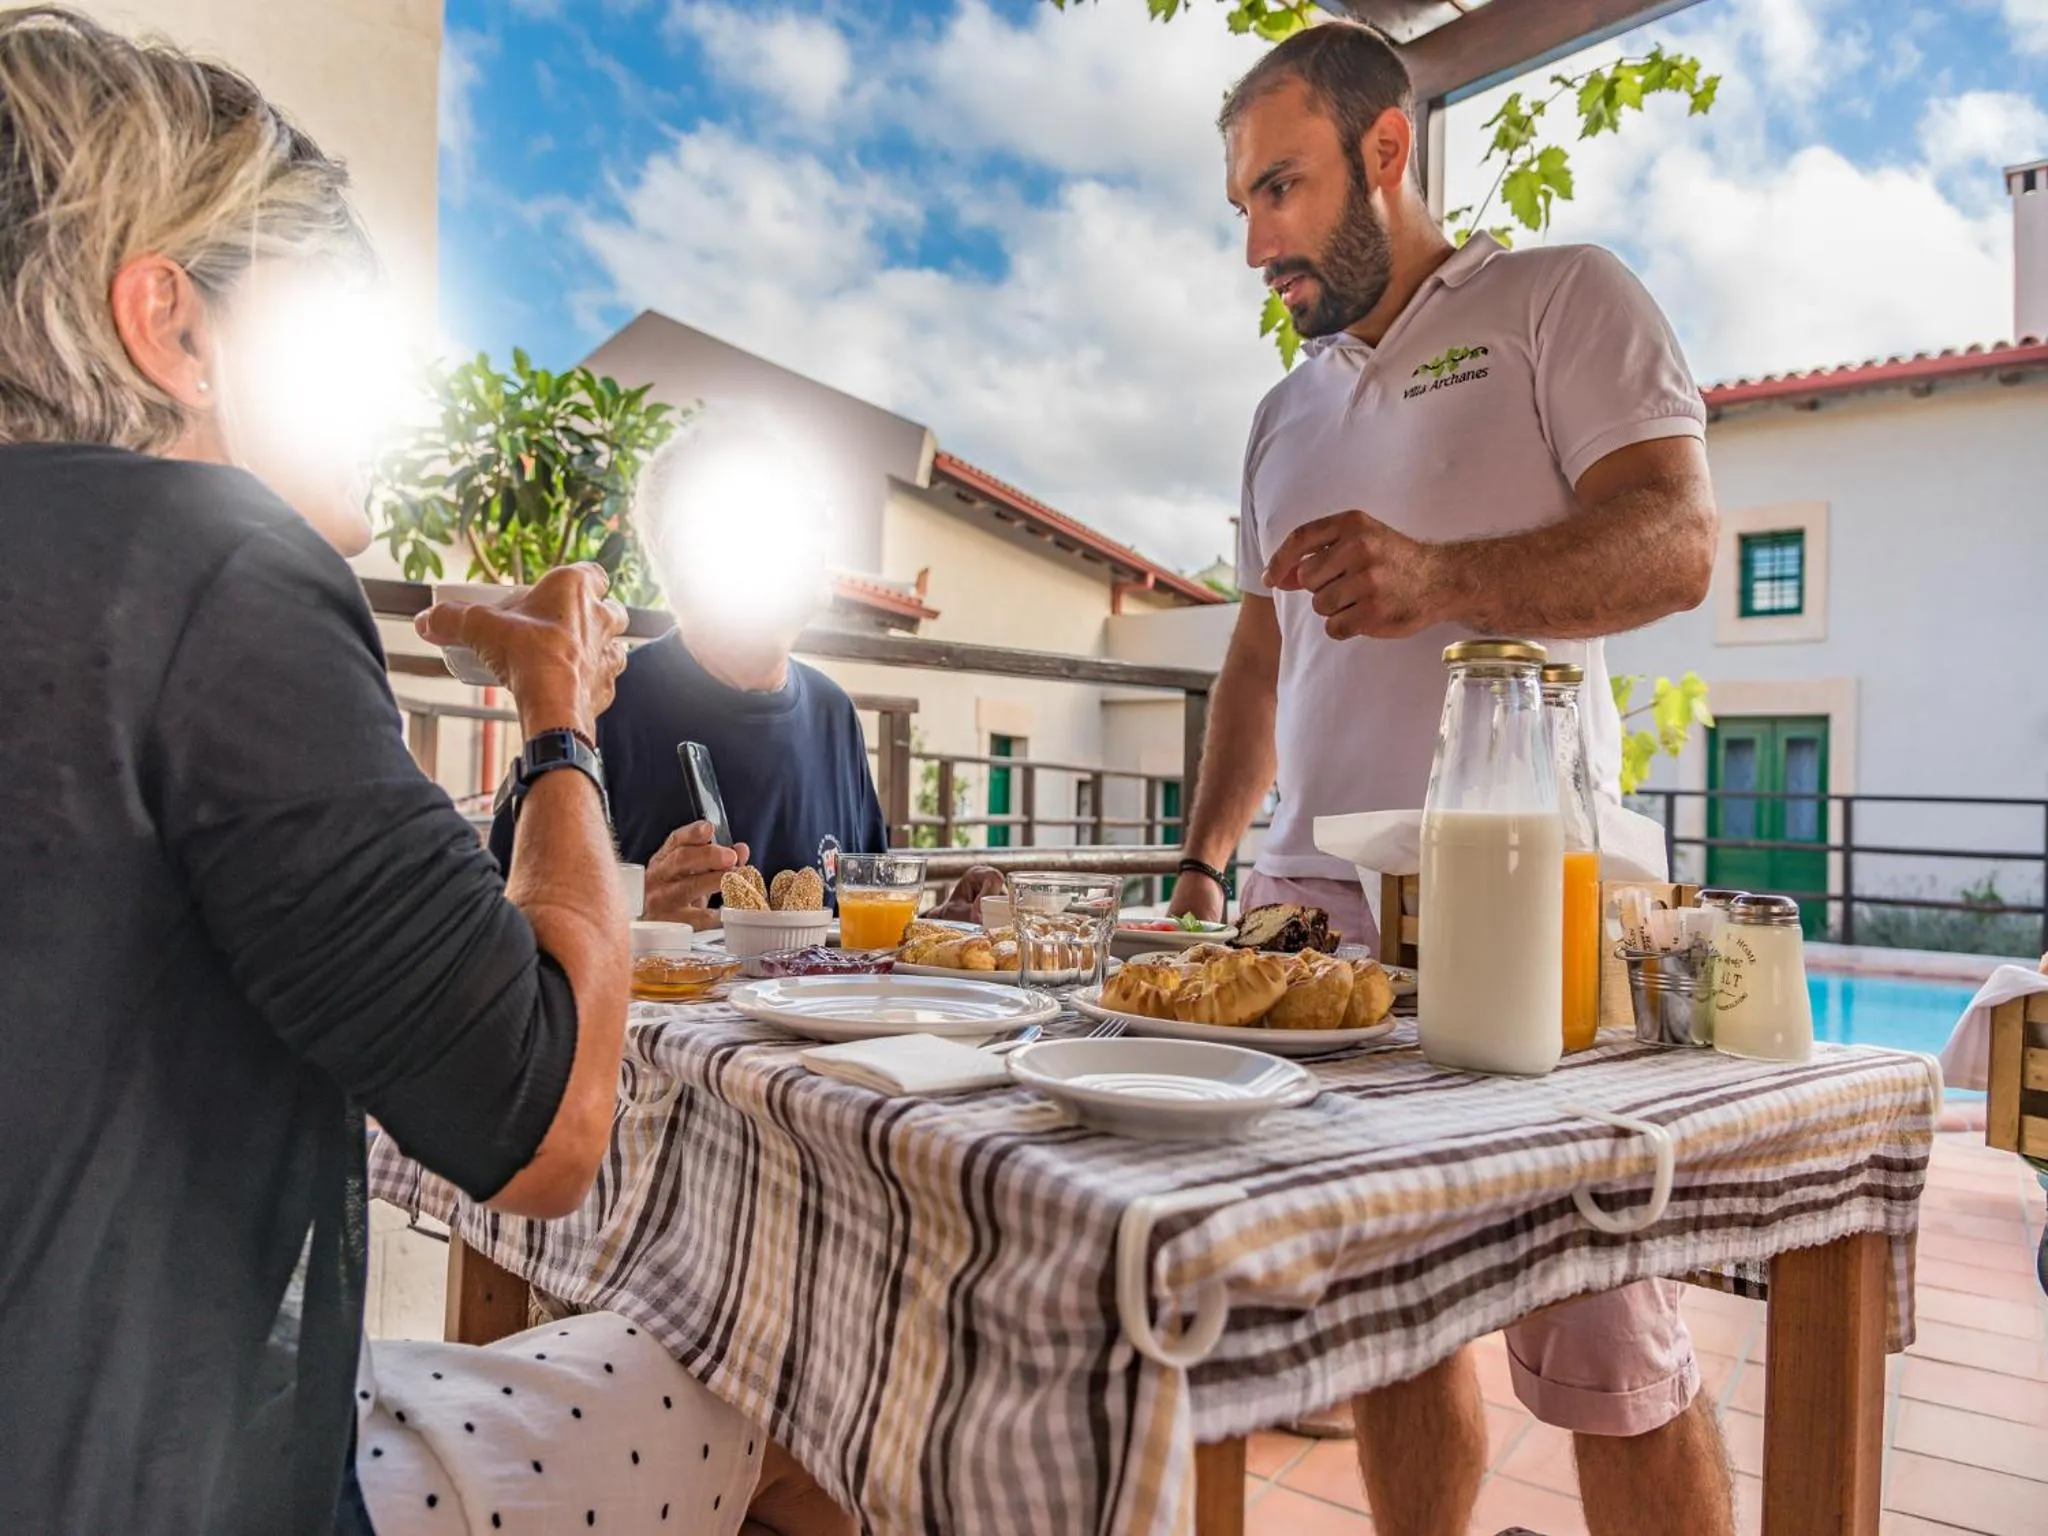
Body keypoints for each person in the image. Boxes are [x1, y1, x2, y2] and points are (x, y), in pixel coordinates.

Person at [0, 10, 845, 1533]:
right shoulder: (203, 564)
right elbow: (545, 1126)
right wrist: (559, 719)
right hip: (155, 1481)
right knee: (797, 1398)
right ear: (172, 325)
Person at [1171, 21, 1729, 1536]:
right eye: (1239, 204)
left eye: (1278, 191)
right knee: (1388, 1329)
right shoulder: (1281, 415)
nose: (1254, 243)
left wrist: (1443, 575)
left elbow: (1678, 544)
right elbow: (1260, 660)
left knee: (1609, 1344)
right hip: (1307, 927)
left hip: (1521, 898)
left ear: (1387, 151)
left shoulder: (1563, 300)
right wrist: (1209, 863)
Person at [489, 410, 1002, 929]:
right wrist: (640, 915)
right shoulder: (596, 704)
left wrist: (944, 927)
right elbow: (504, 936)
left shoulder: (832, 714)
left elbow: (853, 943)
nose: (815, 533)